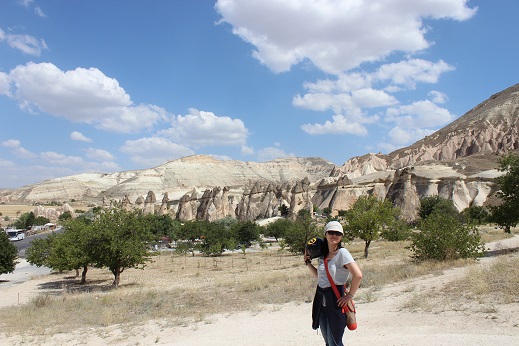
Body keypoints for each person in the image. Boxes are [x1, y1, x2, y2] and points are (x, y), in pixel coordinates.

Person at [304, 221, 363, 346]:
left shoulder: (343, 253)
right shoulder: (323, 254)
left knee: (335, 342)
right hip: (321, 301)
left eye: (337, 233)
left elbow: (358, 275)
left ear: (341, 236)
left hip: (335, 300)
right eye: (331, 232)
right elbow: (320, 277)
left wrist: (350, 296)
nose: (334, 235)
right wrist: (308, 264)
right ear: (325, 234)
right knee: (327, 342)